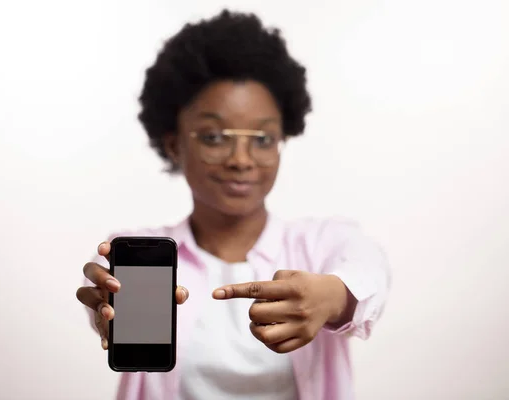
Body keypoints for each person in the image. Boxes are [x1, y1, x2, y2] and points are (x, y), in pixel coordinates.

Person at [76, 9, 391, 400]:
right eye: (213, 137)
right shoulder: (139, 249)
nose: (241, 159)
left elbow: (370, 270)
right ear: (175, 144)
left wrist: (333, 297)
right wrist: (106, 310)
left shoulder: (324, 243)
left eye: (262, 139)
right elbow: (104, 297)